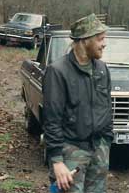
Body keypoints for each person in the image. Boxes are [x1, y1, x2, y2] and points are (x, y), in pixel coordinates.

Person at [42, 13, 113, 193]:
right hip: (70, 152)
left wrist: (106, 143)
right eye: (100, 39)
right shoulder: (57, 72)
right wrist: (57, 161)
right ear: (84, 41)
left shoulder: (102, 69)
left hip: (99, 150)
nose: (104, 44)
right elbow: (51, 120)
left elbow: (106, 109)